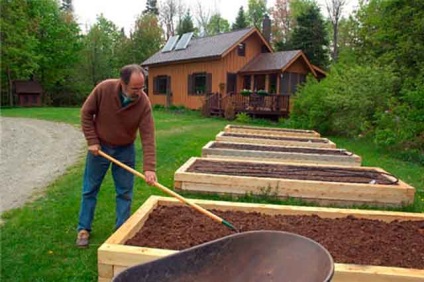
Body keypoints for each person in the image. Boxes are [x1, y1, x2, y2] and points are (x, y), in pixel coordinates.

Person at [76, 64, 157, 248]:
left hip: (125, 150)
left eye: (142, 87)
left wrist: (150, 167)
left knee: (125, 193)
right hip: (101, 148)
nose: (139, 92)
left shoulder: (143, 102)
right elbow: (86, 114)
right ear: (122, 82)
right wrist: (92, 141)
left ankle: (121, 230)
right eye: (135, 88)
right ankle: (83, 229)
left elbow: (148, 136)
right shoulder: (104, 89)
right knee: (90, 189)